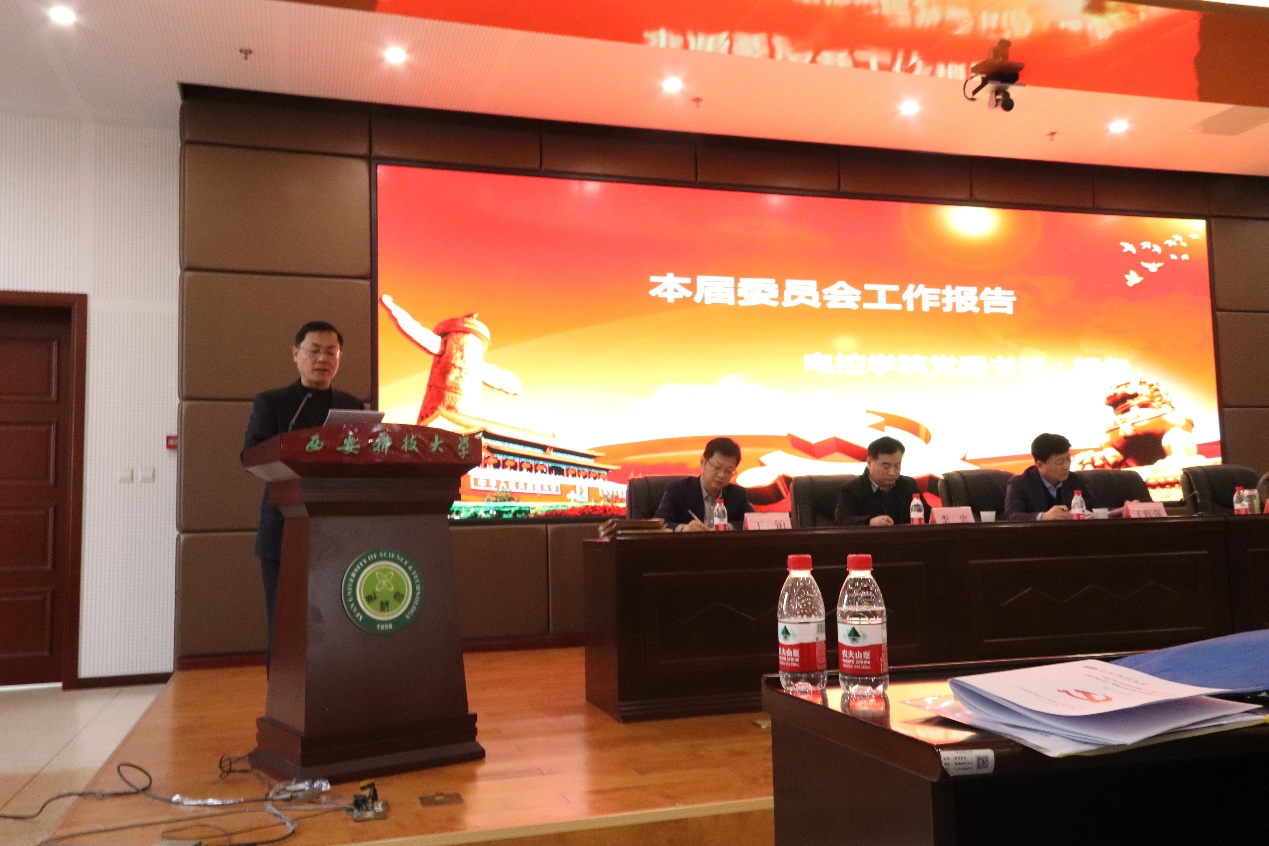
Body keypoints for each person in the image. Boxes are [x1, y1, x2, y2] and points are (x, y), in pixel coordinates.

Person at [242, 321, 363, 670]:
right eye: (314, 350)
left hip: (336, 532)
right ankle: (284, 694)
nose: (322, 359)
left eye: (331, 352)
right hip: (285, 529)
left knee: (336, 624)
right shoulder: (273, 403)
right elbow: (252, 457)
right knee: (286, 625)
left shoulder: (352, 406)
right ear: (296, 354)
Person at [655, 437, 754, 531]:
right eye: (717, 467)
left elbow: (753, 521)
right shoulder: (677, 490)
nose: (721, 475)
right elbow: (659, 523)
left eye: (729, 471)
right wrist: (684, 528)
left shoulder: (737, 494)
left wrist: (725, 527)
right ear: (703, 462)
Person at [834, 436, 930, 526]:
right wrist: (870, 522)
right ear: (869, 463)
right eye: (886, 466)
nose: (892, 472)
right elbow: (841, 521)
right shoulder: (852, 489)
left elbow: (928, 516)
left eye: (897, 465)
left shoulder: (908, 485)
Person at [1004, 432, 1098, 521]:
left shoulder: (1075, 480)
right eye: (1060, 462)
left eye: (1068, 459)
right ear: (1040, 464)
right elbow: (1012, 516)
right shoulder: (1020, 483)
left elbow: (1095, 508)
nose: (1066, 466)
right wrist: (1043, 517)